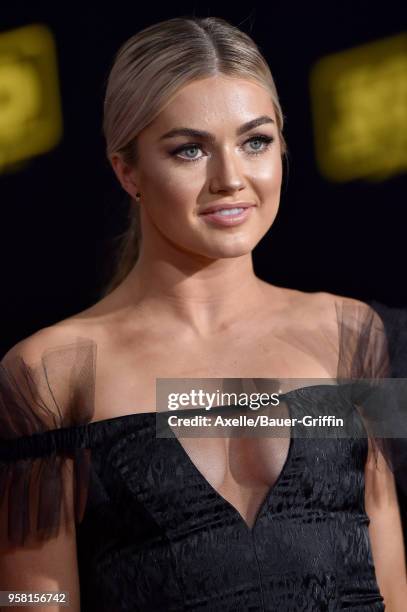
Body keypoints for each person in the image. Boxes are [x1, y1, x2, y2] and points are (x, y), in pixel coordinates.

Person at [0, 15, 406, 611]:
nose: (230, 179)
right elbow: (32, 602)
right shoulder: (48, 373)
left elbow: (391, 582)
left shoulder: (352, 333)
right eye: (189, 149)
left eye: (255, 141)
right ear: (127, 170)